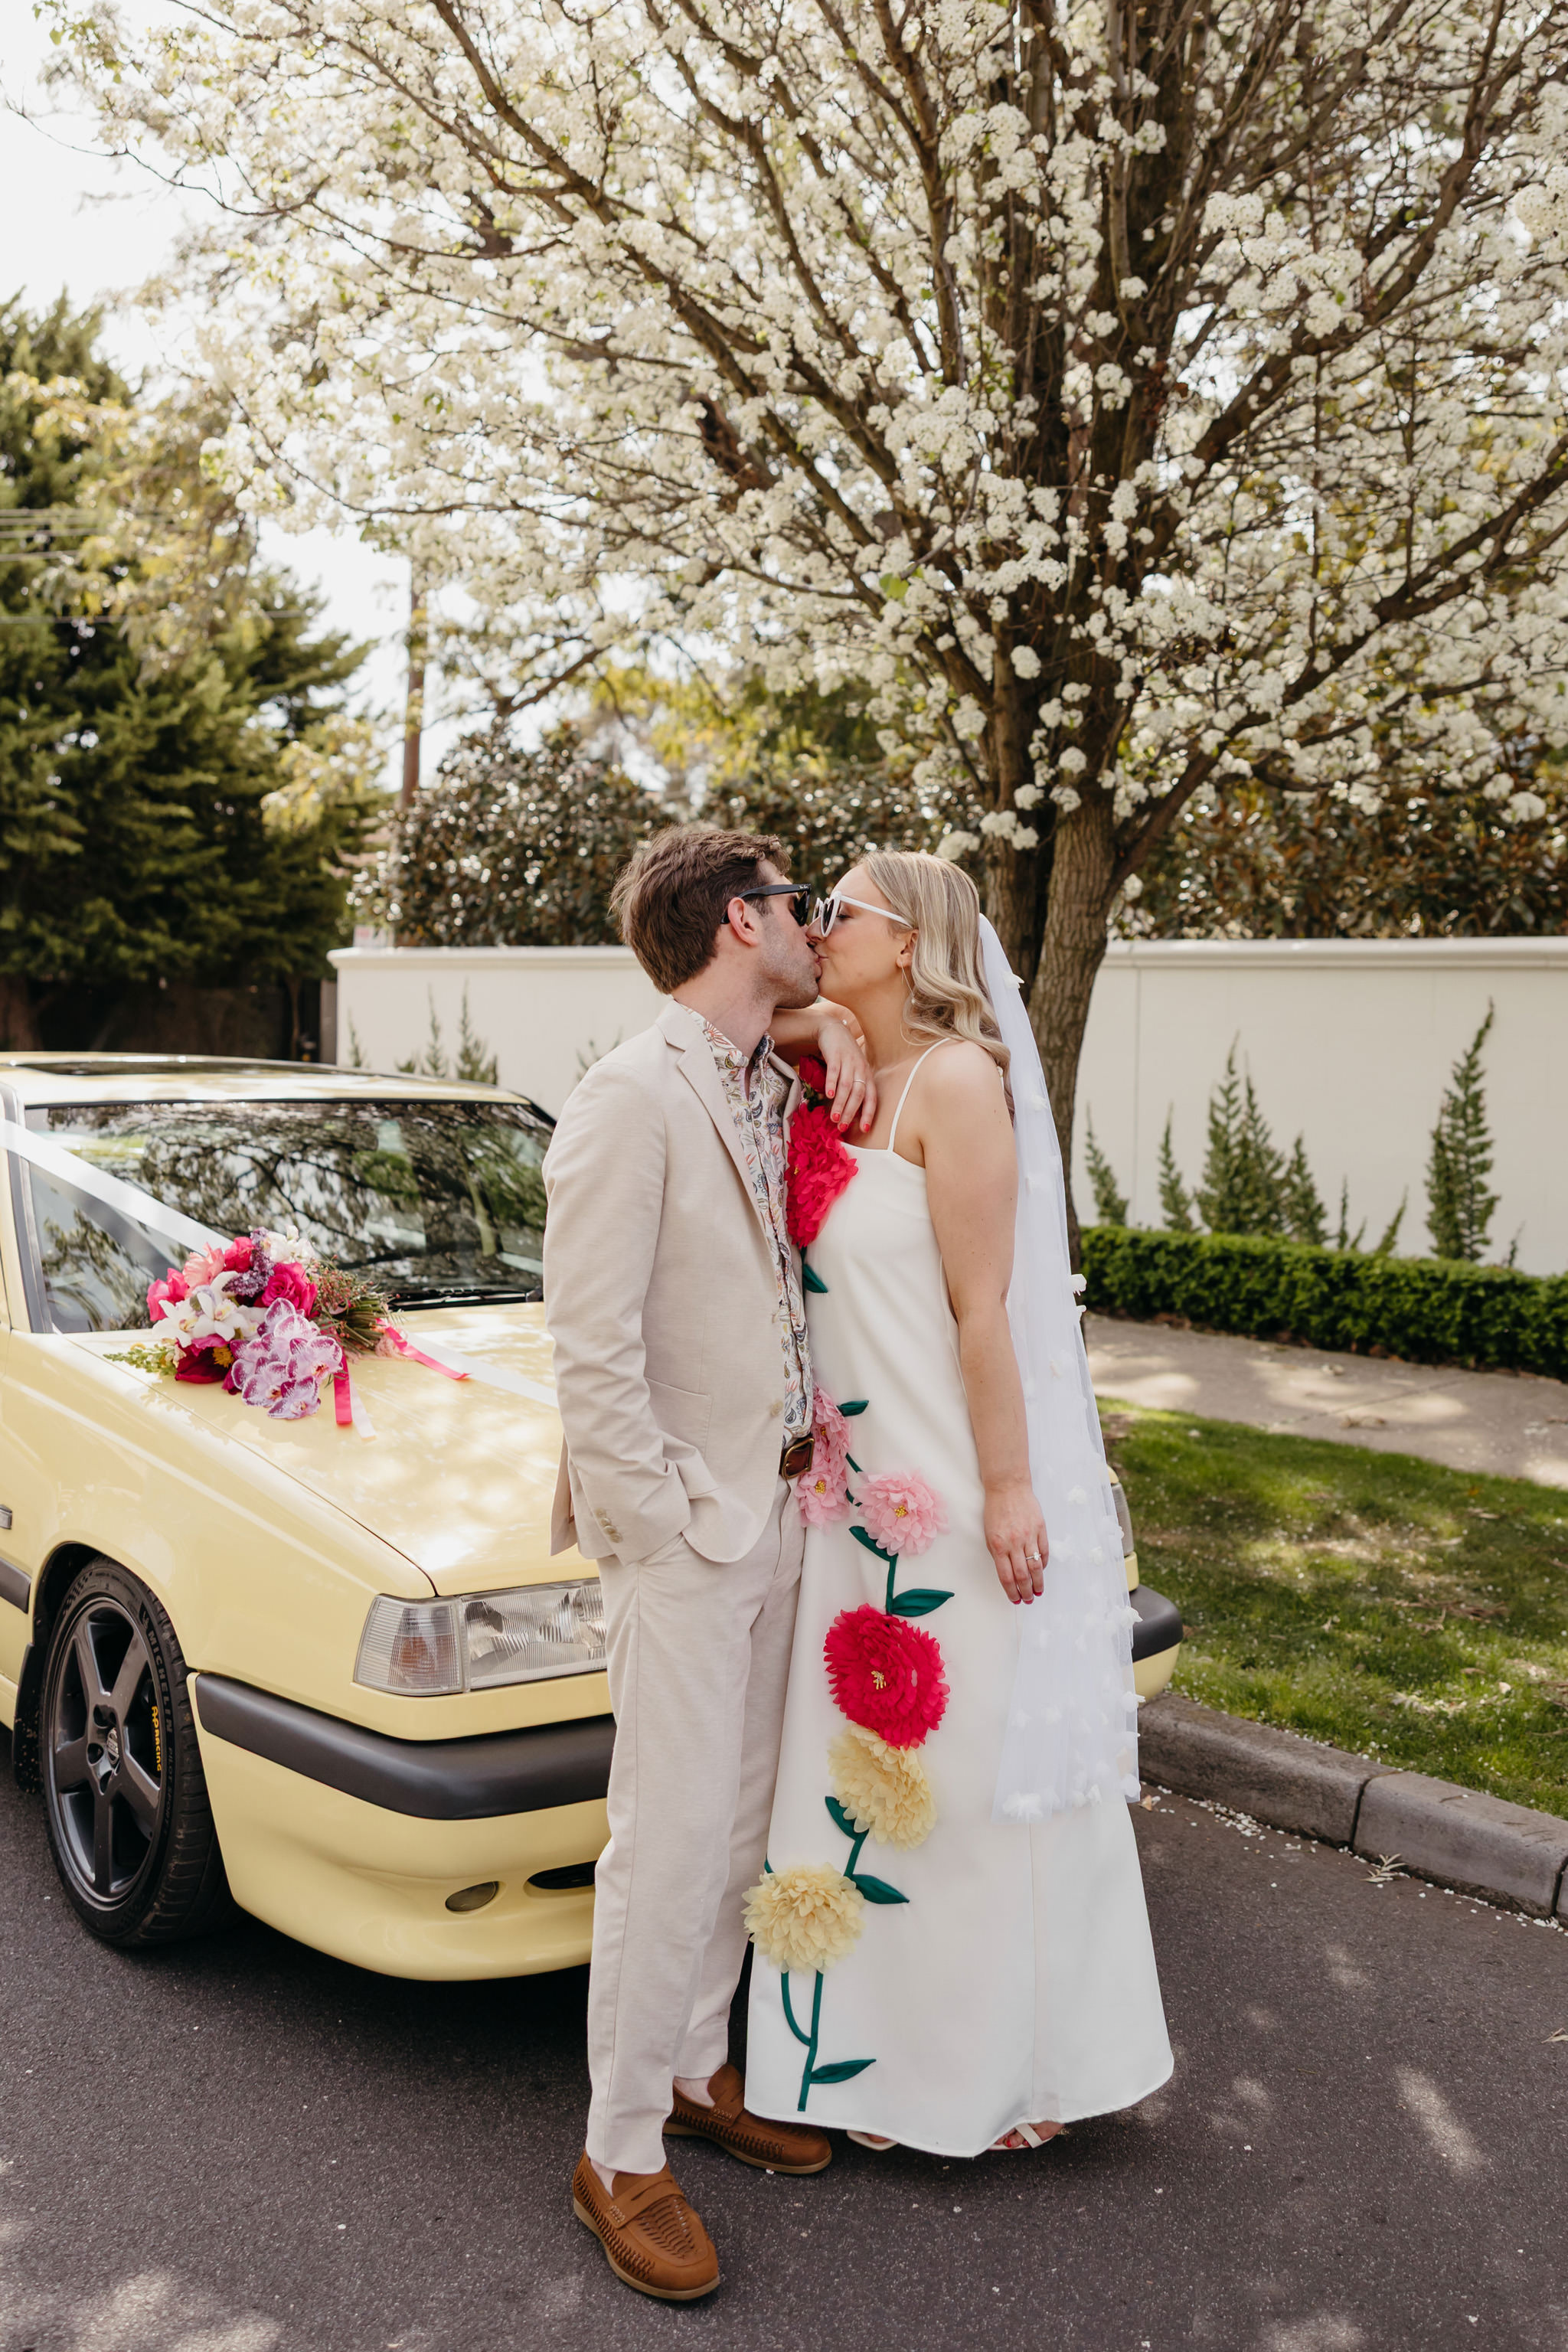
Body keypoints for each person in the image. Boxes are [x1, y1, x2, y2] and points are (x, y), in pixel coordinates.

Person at [744, 850, 1172, 2157]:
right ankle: (877, 2073)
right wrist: (821, 1025)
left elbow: (987, 1314)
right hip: (848, 1499)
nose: (817, 927)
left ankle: (1015, 2074)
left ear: (909, 939)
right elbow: (726, 1020)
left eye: (841, 913)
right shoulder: (822, 1069)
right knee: (862, 1782)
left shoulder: (960, 1084)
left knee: (969, 1776)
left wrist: (1009, 1490)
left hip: (946, 1480)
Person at [542, 825, 875, 2301]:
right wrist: (661, 1523)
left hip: (785, 1515)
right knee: (665, 1841)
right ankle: (617, 2152)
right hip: (688, 1536)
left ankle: (693, 2071)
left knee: (738, 1828)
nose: (818, 928)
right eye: (801, 907)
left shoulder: (760, 1071)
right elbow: (589, 1348)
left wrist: (833, 1019)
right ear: (744, 920)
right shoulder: (628, 1096)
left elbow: (808, 1023)